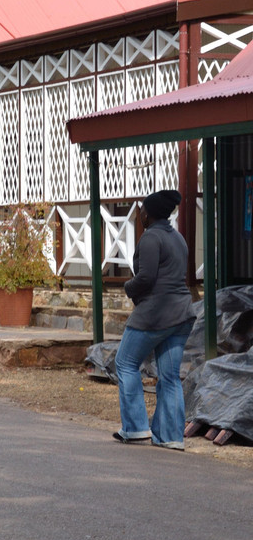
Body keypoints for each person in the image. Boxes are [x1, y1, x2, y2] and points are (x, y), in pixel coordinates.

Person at [113, 189, 195, 450]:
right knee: (169, 376)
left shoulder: (151, 238)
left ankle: (135, 428)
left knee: (125, 363)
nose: (140, 215)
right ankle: (171, 436)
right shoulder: (178, 238)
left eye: (142, 211)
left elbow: (146, 278)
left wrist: (128, 288)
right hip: (182, 314)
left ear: (148, 214)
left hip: (155, 314)